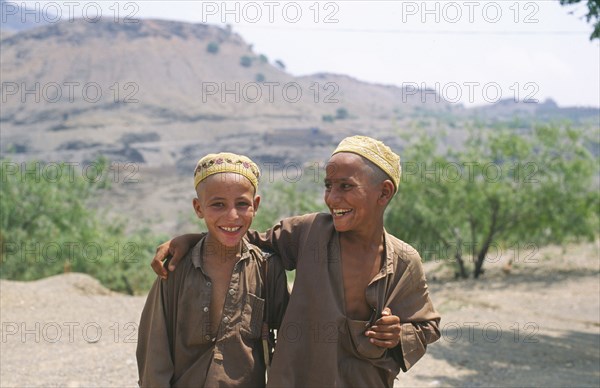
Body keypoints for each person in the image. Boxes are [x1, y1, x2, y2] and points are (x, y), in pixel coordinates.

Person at [152, 136, 441, 387]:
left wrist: (397, 333)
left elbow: (426, 327)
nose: (332, 197)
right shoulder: (309, 232)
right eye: (329, 186)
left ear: (385, 192)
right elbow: (240, 235)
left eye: (345, 186)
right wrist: (188, 240)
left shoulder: (403, 261)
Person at [137, 152, 289, 387]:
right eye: (218, 204)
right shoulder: (176, 268)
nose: (232, 215)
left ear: (255, 205)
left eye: (242, 204)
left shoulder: (267, 269)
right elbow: (154, 348)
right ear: (198, 208)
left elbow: (292, 342)